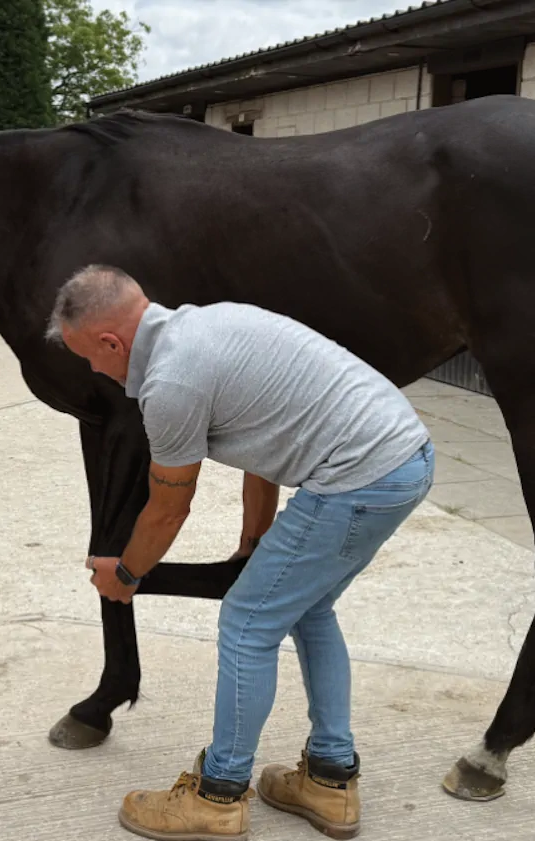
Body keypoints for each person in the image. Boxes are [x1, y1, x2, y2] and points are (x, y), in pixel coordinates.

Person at [47, 264, 433, 841]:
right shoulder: (210, 325)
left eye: (89, 357)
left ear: (110, 341)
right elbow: (265, 442)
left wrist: (127, 573)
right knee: (307, 608)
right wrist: (254, 542)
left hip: (358, 477)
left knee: (248, 622)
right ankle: (330, 780)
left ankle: (219, 797)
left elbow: (168, 507)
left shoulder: (170, 384)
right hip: (402, 458)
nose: (94, 370)